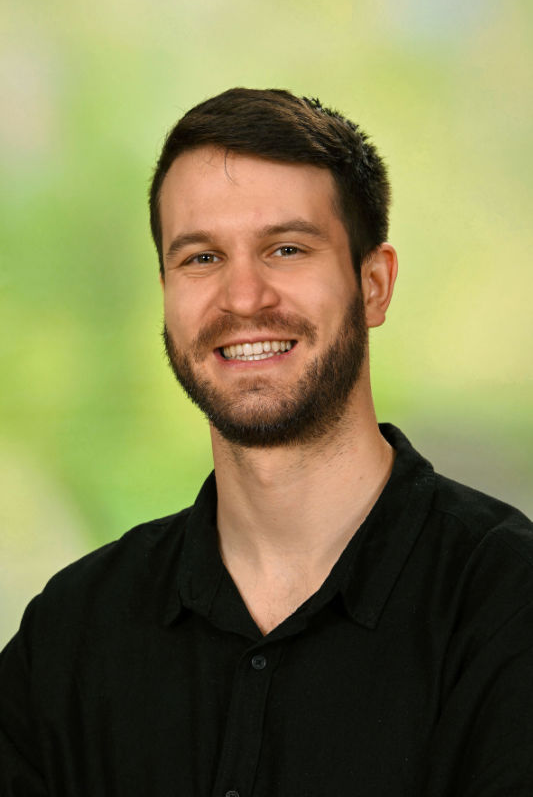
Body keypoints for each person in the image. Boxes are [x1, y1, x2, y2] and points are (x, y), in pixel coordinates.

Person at [1, 87, 532, 797]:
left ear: (373, 284)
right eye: (200, 258)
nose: (243, 297)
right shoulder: (73, 631)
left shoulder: (507, 604)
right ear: (165, 290)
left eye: (286, 249)